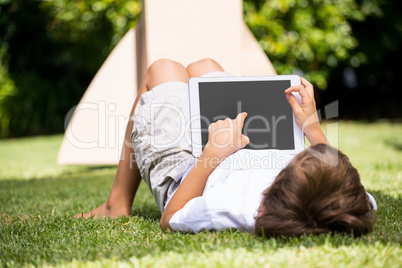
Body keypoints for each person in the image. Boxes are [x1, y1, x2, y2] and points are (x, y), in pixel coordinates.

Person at [75, 58, 376, 237]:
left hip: (190, 171)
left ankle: (116, 204)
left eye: (297, 159)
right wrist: (311, 127)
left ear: (267, 200)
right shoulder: (346, 204)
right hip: (239, 146)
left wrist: (211, 156)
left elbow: (170, 218)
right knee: (204, 67)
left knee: (162, 70)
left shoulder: (228, 208)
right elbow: (342, 181)